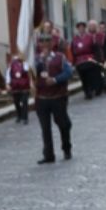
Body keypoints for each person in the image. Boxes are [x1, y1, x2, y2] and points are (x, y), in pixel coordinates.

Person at [31, 36, 73, 164]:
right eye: (42, 42)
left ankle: (66, 149)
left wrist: (55, 80)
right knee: (45, 127)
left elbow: (68, 73)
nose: (45, 44)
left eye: (47, 41)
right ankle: (48, 154)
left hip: (57, 97)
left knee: (63, 124)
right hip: (42, 98)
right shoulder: (36, 59)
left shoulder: (60, 57)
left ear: (52, 43)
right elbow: (31, 73)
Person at [70, 21, 101, 100]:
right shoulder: (75, 39)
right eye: (79, 28)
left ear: (84, 28)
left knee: (90, 76)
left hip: (89, 58)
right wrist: (73, 62)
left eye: (82, 27)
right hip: (79, 60)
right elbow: (72, 51)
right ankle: (86, 91)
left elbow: (95, 49)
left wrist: (97, 59)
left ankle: (91, 90)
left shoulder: (90, 37)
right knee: (83, 77)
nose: (81, 29)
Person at [6, 47, 31, 123]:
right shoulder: (13, 64)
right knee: (16, 102)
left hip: (24, 86)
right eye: (20, 54)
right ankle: (19, 115)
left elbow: (29, 73)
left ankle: (25, 117)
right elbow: (8, 74)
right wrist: (7, 83)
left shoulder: (26, 63)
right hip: (15, 86)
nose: (21, 55)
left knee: (24, 102)